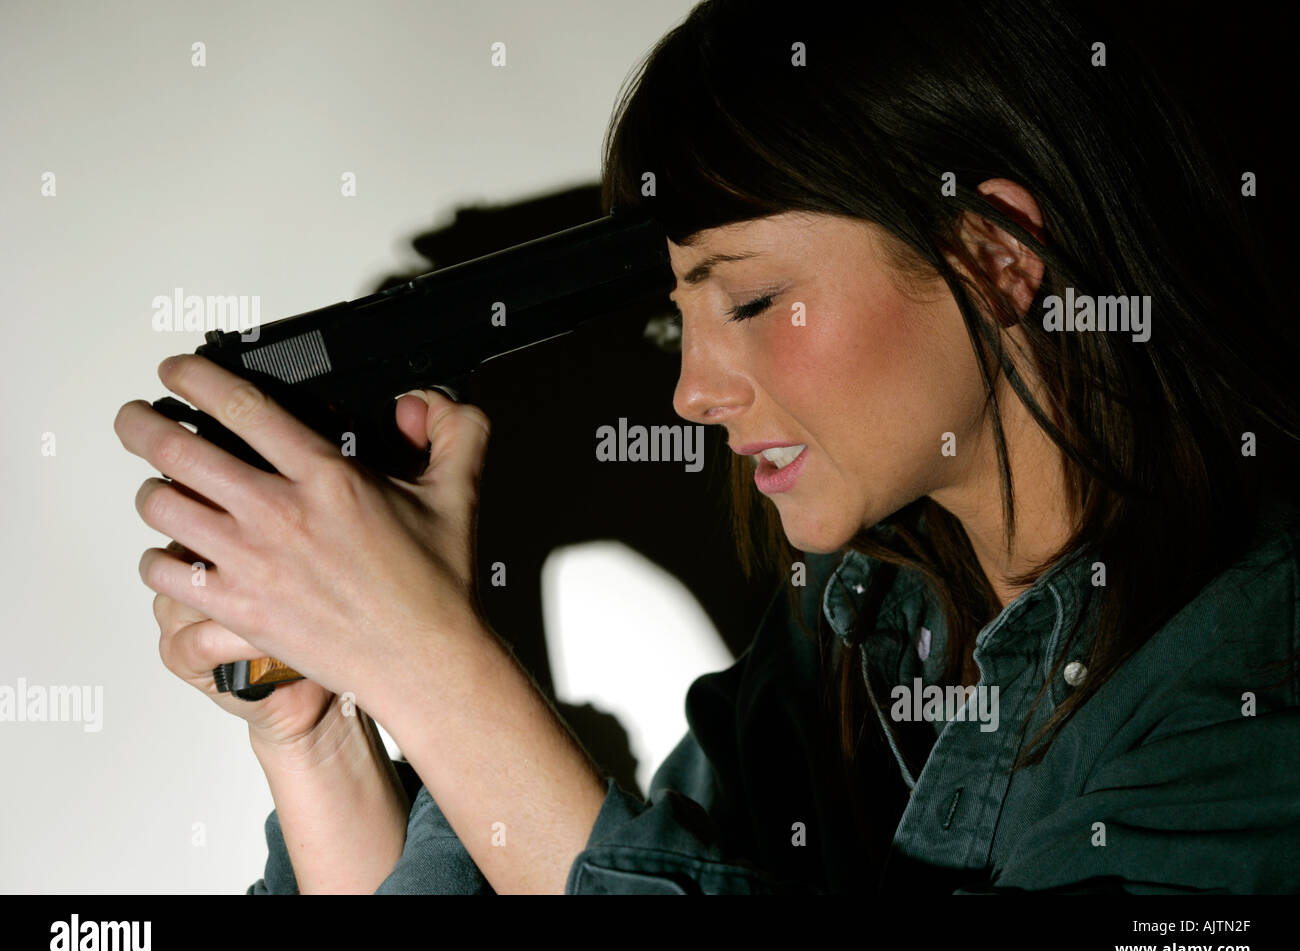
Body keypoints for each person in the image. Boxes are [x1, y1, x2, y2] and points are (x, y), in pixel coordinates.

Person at [116, 0, 1300, 894]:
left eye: (743, 303)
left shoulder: (1256, 676)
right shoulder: (852, 627)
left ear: (994, 256)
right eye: (675, 316)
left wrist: (432, 662)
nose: (689, 392)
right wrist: (324, 724)